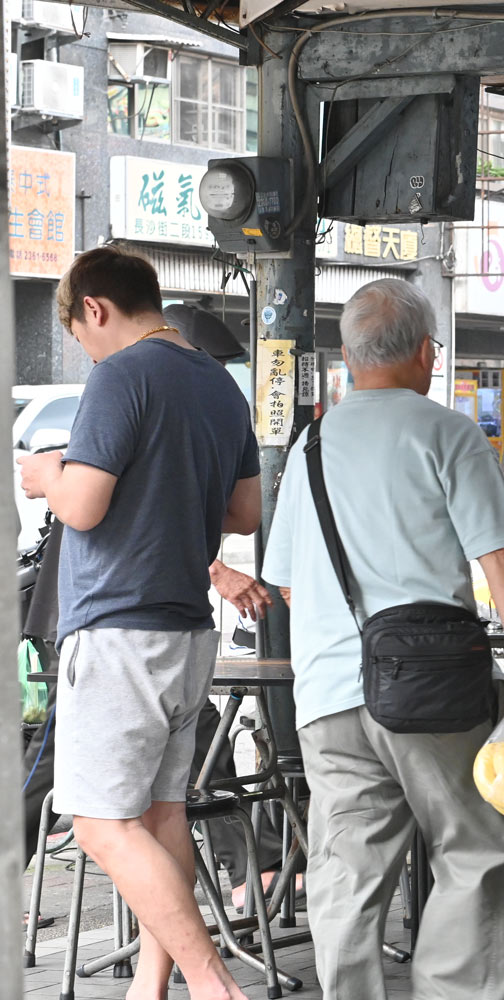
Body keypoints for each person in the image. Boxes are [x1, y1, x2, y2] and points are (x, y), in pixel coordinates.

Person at [261, 279, 504, 997]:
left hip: (329, 692)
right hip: (432, 688)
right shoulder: (447, 432)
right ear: (426, 352)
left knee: (348, 867)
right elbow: (498, 556)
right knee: (473, 848)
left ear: (347, 356)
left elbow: (289, 581)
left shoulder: (311, 445)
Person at [16, 247, 262, 1000]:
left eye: (80, 334)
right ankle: (149, 986)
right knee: (160, 817)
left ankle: (211, 982)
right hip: (187, 631)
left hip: (120, 626)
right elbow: (245, 513)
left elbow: (84, 506)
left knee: (95, 822)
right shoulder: (220, 386)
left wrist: (47, 474)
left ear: (95, 308)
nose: (87, 351)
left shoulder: (120, 376)